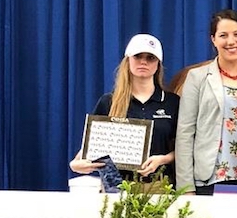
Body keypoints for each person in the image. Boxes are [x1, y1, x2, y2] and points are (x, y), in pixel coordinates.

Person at [175, 9, 237, 194]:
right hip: (212, 179)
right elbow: (185, 134)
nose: (231, 41)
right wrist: (186, 187)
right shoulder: (197, 78)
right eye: (223, 35)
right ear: (213, 39)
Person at [69, 33, 179, 183]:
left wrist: (163, 159)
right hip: (117, 189)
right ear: (128, 60)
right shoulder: (109, 102)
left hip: (161, 188)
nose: (143, 62)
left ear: (158, 64)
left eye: (150, 58)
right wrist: (77, 164)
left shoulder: (172, 102)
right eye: (138, 56)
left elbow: (186, 148)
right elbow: (90, 147)